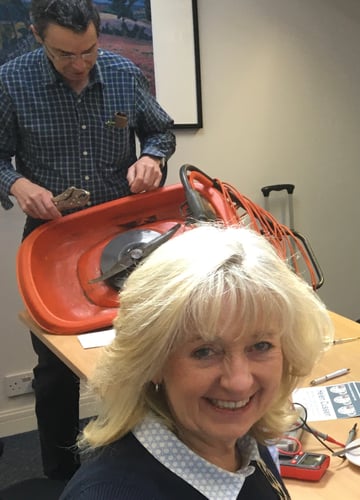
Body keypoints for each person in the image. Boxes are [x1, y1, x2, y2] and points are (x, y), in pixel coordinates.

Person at [0, 0, 176, 480]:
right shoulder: (11, 81)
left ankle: (146, 466)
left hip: (124, 234)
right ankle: (60, 473)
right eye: (64, 55)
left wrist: (153, 159)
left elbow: (159, 130)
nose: (79, 66)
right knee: (57, 366)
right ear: (39, 37)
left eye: (89, 52)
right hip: (53, 241)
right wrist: (17, 184)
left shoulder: (121, 72)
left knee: (142, 351)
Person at [61, 224, 333, 499]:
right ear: (153, 361)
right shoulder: (110, 494)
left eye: (260, 346)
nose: (239, 382)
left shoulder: (242, 443)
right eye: (205, 352)